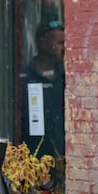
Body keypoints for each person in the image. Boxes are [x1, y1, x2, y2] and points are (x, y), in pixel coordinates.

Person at [21, 21, 65, 162]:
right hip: (32, 156)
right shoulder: (23, 77)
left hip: (62, 155)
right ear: (43, 44)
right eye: (59, 43)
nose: (64, 48)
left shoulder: (66, 75)